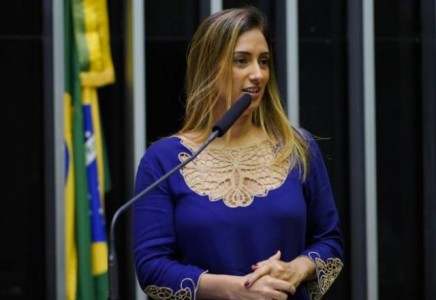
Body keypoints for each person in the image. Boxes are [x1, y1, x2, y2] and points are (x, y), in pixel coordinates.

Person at [133, 6, 344, 300]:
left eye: (264, 61)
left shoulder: (297, 147)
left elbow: (329, 242)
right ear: (209, 67)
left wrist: (295, 269)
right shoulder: (163, 160)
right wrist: (237, 290)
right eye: (241, 61)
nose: (258, 74)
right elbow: (151, 270)